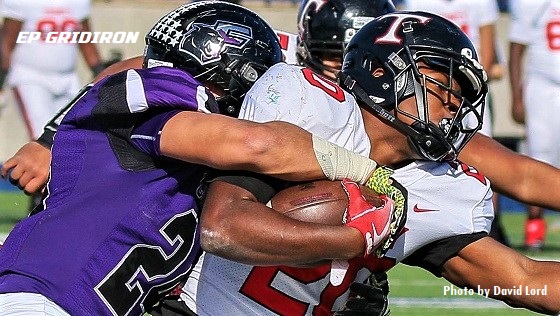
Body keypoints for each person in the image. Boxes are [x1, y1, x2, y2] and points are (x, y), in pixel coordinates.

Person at [0, 2, 396, 315]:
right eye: (258, 80)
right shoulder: (159, 94)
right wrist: (369, 174)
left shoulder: (182, 159)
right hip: (41, 297)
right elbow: (258, 144)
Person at [179, 12, 560, 315]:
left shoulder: (439, 185)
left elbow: (525, 280)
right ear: (382, 73)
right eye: (445, 85)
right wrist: (359, 239)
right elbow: (223, 227)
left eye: (462, 94)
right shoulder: (309, 107)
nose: (455, 103)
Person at [401, 0, 510, 245]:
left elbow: (488, 63)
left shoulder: (481, 4)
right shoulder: (417, 3)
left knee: (484, 158)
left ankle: (491, 227)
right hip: (428, 90)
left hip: (467, 89)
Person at [0, 0, 106, 211]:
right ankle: (39, 203)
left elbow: (85, 39)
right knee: (44, 139)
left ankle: (59, 202)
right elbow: (6, 42)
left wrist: (100, 73)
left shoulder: (78, 2)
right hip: (30, 77)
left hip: (67, 79)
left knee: (72, 138)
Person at [509, 0, 560, 251]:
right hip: (541, 85)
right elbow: (516, 49)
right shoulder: (531, 3)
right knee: (539, 155)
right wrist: (516, 97)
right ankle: (535, 227)